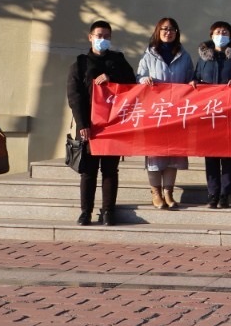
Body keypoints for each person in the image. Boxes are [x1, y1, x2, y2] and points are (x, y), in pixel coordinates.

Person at [66, 20, 136, 226]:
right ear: (90, 37)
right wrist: (82, 124)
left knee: (110, 171)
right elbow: (74, 97)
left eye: (106, 36)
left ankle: (108, 211)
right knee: (88, 172)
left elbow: (131, 82)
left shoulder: (118, 60)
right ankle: (85, 212)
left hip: (112, 125)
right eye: (99, 36)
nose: (102, 40)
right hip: (89, 126)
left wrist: (111, 76)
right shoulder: (80, 64)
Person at [136, 17, 195, 210]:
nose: (168, 32)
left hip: (177, 112)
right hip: (155, 112)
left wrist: (192, 83)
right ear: (158, 31)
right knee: (155, 154)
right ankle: (156, 192)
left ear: (177, 33)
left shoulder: (184, 56)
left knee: (173, 155)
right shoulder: (149, 55)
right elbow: (138, 76)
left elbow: (190, 78)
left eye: (172, 29)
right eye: (164, 29)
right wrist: (144, 80)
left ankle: (168, 192)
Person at [193, 20, 231, 209]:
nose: (221, 35)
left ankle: (225, 193)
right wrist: (194, 83)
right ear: (211, 35)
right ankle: (212, 193)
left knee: (227, 155)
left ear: (230, 36)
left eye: (225, 32)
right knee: (210, 155)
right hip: (208, 113)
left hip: (229, 113)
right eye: (218, 32)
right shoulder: (203, 59)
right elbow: (195, 78)